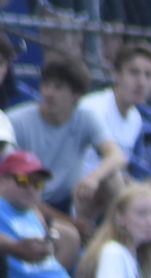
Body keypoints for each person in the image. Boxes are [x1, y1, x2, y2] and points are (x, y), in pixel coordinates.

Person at [10, 57, 118, 221]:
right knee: (70, 236)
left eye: (58, 87)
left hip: (69, 198)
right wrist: (71, 224)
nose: (49, 93)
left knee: (113, 178)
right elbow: (14, 183)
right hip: (28, 197)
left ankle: (113, 234)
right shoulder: (17, 121)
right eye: (46, 85)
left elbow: (116, 156)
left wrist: (93, 178)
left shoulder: (85, 117)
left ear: (76, 94)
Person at [0, 148, 76, 278]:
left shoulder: (31, 212)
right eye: (24, 180)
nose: (31, 188)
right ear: (2, 179)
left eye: (38, 184)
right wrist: (15, 247)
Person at [73, 42, 151, 212]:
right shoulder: (92, 107)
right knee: (113, 177)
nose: (141, 82)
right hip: (79, 191)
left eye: (148, 75)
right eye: (133, 73)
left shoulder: (135, 118)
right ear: (116, 74)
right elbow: (116, 159)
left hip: (108, 195)